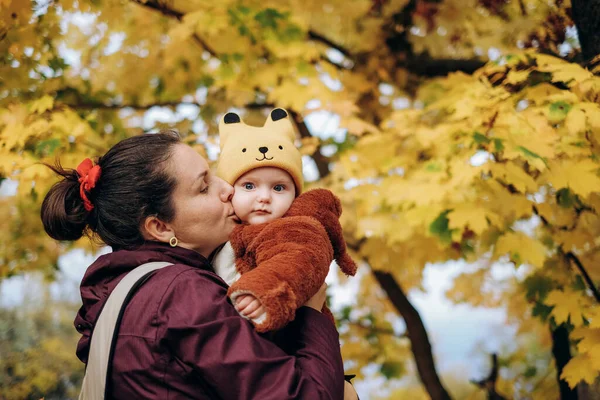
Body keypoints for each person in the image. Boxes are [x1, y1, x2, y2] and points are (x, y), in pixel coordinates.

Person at [40, 131, 356, 399]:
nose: (228, 189)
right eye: (204, 186)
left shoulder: (121, 296)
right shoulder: (181, 294)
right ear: (160, 227)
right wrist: (314, 314)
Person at [212, 108, 357, 333]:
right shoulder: (219, 230)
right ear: (229, 190)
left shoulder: (293, 228)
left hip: (289, 340)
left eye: (278, 188)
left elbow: (298, 261)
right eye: (249, 186)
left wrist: (265, 291)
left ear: (294, 194)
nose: (264, 197)